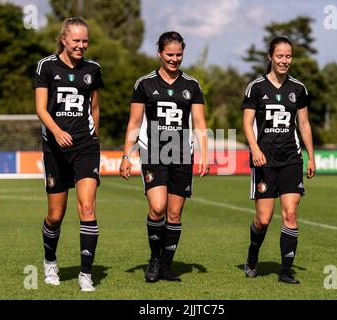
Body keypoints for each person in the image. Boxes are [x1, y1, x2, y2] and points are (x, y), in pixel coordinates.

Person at [119, 31, 209, 283]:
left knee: (175, 214)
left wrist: (203, 153)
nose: (174, 59)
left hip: (182, 153)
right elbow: (134, 122)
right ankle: (155, 259)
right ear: (159, 53)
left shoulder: (192, 86)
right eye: (169, 54)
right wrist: (127, 154)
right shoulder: (144, 84)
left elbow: (200, 123)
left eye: (179, 54)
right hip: (153, 152)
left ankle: (167, 266)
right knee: (157, 207)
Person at [34, 17, 104, 292]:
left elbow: (94, 107)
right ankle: (50, 261)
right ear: (63, 39)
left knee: (87, 207)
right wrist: (57, 132)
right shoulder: (46, 66)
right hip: (54, 148)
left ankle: (86, 274)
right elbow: (41, 108)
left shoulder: (93, 69)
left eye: (85, 41)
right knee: (55, 215)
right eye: (76, 40)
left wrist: (94, 136)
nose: (81, 45)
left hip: (86, 147)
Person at [241, 36, 316, 284]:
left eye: (288, 56)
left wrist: (311, 157)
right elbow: (247, 123)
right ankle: (253, 254)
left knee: (290, 214)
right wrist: (254, 149)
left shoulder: (298, 89)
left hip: (291, 159)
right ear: (270, 57)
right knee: (263, 219)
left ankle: (285, 270)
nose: (284, 60)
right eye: (280, 56)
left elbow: (303, 125)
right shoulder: (256, 88)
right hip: (265, 161)